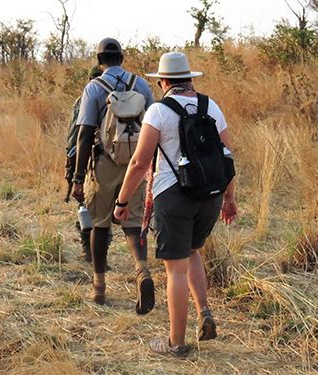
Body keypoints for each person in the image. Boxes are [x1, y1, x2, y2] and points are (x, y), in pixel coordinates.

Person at [114, 52, 237, 358]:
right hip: (210, 195)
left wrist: (122, 200)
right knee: (193, 252)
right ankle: (204, 310)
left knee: (175, 271)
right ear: (190, 79)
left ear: (163, 81)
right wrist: (230, 198)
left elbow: (141, 163)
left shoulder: (158, 111)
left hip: (173, 196)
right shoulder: (212, 107)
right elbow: (227, 158)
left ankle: (176, 343)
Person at [71, 37, 156, 314]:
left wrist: (77, 176)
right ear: (122, 57)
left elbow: (84, 134)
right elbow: (154, 123)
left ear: (99, 61)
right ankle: (141, 270)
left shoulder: (94, 88)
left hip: (105, 162)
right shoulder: (141, 84)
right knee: (133, 222)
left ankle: (99, 287)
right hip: (137, 163)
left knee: (100, 223)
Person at [64, 65, 109, 265]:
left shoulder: (83, 100)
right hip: (116, 160)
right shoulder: (121, 97)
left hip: (88, 159)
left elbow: (75, 137)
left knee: (85, 205)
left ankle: (89, 251)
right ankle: (101, 253)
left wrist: (72, 170)